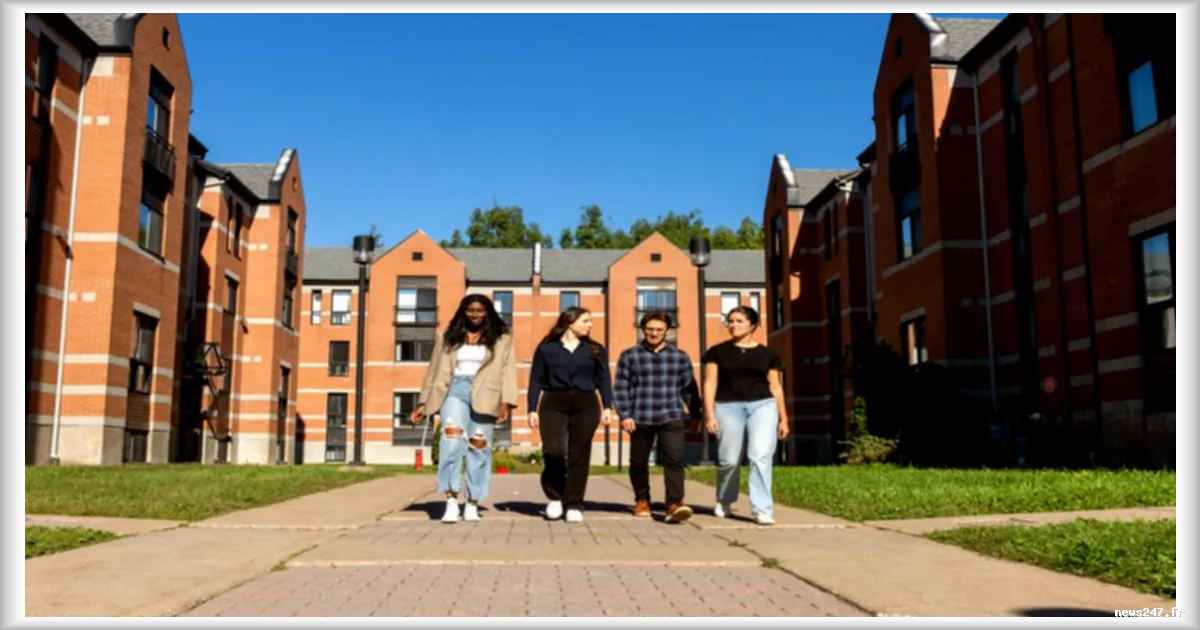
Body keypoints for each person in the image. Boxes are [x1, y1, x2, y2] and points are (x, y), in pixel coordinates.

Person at [411, 294, 517, 524]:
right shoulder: (448, 337)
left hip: (486, 393)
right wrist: (423, 402)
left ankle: (472, 503)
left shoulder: (502, 339)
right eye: (470, 310)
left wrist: (506, 401)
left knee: (479, 446)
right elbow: (434, 370)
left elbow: (508, 371)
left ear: (487, 312)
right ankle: (451, 500)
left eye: (480, 310)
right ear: (463, 311)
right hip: (453, 391)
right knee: (451, 441)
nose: (475, 315)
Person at [702, 305, 789, 526]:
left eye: (739, 321)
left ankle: (762, 509)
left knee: (760, 455)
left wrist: (783, 418)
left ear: (752, 325)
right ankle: (724, 500)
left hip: (762, 406)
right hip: (727, 407)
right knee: (729, 460)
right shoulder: (717, 352)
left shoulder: (768, 354)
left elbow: (776, 387)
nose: (733, 325)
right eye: (730, 321)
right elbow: (710, 383)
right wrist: (709, 415)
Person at [613, 310, 701, 523]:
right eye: (650, 329)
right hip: (640, 416)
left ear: (667, 331)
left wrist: (696, 414)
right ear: (643, 330)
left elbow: (689, 388)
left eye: (659, 330)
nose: (654, 333)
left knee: (674, 459)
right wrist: (625, 414)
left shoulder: (680, 357)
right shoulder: (629, 355)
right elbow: (621, 387)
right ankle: (642, 500)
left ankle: (674, 503)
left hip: (671, 415)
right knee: (638, 462)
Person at [528, 306, 614, 523]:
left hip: (586, 403)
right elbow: (536, 378)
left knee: (579, 453)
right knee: (554, 450)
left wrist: (607, 406)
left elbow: (604, 379)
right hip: (553, 402)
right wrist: (531, 408)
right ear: (569, 322)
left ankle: (574, 503)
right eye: (586, 321)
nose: (590, 325)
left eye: (591, 321)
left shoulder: (595, 349)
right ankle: (555, 497)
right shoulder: (546, 348)